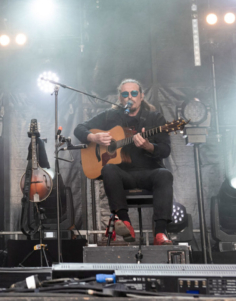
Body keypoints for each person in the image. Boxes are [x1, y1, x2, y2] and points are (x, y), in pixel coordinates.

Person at [73, 79, 174, 245]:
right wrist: (93, 137)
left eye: (134, 93)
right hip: (122, 175)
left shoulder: (155, 119)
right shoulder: (110, 116)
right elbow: (79, 128)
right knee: (108, 169)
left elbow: (165, 150)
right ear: (120, 98)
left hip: (149, 173)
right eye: (125, 94)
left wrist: (149, 147)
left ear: (141, 96)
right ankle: (126, 223)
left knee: (165, 174)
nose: (130, 97)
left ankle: (160, 234)